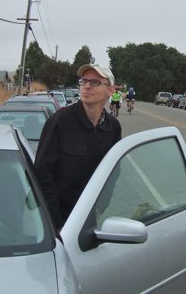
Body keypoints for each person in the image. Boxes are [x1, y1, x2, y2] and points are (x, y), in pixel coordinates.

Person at [35, 64, 123, 229]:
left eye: (95, 82)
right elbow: (42, 174)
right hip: (57, 221)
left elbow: (113, 173)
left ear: (110, 90)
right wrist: (55, 223)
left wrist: (99, 208)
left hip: (90, 219)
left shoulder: (113, 127)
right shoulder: (60, 121)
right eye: (84, 81)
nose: (87, 86)